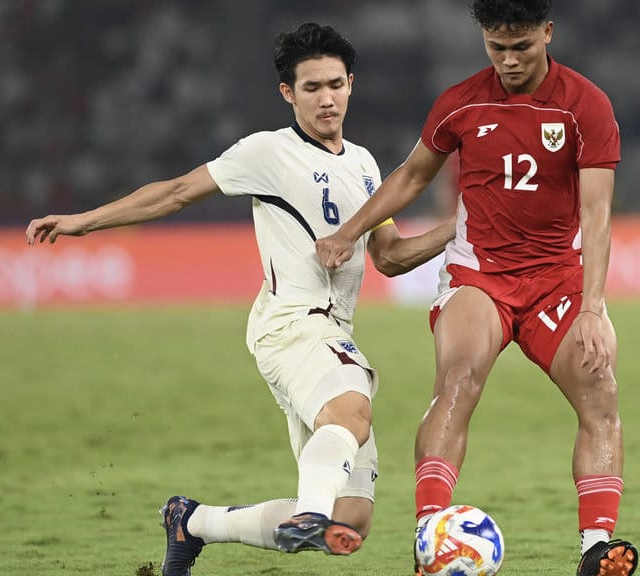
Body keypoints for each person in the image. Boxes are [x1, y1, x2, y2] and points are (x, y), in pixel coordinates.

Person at [25, 22, 455, 576]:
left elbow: (391, 257)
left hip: (332, 333)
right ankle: (309, 512)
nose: (326, 98)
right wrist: (84, 222)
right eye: (311, 88)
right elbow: (177, 191)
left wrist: (460, 226)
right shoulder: (268, 152)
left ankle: (193, 521)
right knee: (352, 411)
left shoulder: (366, 166)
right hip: (292, 324)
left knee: (349, 521)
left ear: (351, 83)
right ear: (287, 93)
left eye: (335, 84)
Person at [315, 2, 638, 575]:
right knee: (458, 380)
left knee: (600, 390)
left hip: (557, 278)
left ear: (547, 33)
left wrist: (593, 308)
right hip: (478, 273)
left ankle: (595, 546)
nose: (509, 61)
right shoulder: (462, 102)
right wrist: (350, 232)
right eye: (496, 47)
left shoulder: (586, 104)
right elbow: (413, 175)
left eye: (522, 47)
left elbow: (597, 210)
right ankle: (429, 536)